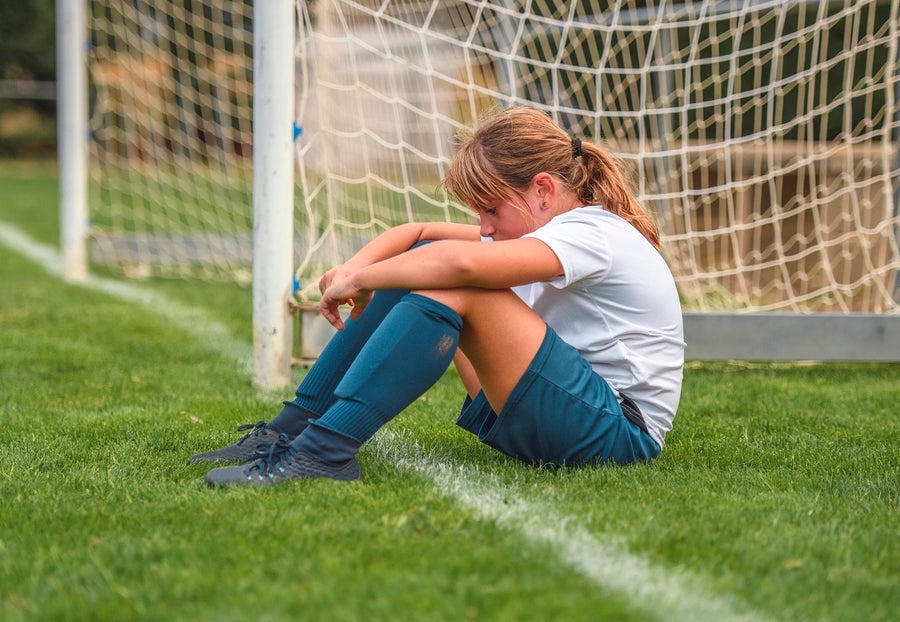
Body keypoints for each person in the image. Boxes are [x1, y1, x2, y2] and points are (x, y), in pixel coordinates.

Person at [190, 106, 685, 487]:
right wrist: (356, 267)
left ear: (542, 190)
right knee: (429, 259)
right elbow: (420, 233)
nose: (484, 227)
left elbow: (461, 264)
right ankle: (295, 427)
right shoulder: (549, 229)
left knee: (456, 280)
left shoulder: (592, 231)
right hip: (562, 409)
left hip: (619, 432)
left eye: (490, 209)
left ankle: (323, 452)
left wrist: (364, 283)